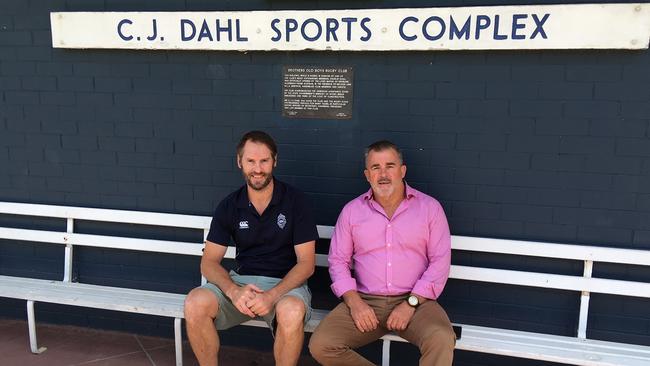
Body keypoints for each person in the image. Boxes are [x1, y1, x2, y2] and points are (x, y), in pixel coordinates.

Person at [309, 140, 455, 366]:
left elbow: (440, 263)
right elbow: (338, 261)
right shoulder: (352, 211)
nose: (383, 174)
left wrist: (410, 304)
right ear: (367, 175)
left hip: (417, 302)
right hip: (366, 300)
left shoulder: (430, 208)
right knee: (322, 345)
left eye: (390, 166)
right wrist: (355, 303)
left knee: (442, 338)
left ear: (402, 170)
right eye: (376, 167)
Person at [184, 130, 318, 366]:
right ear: (239, 162)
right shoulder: (229, 205)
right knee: (195, 303)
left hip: (285, 286)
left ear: (275, 161)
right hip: (241, 284)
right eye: (250, 161)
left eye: (264, 160)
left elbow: (306, 264)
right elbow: (209, 261)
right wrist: (233, 291)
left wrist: (272, 295)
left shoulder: (296, 201)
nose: (258, 169)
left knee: (292, 311)